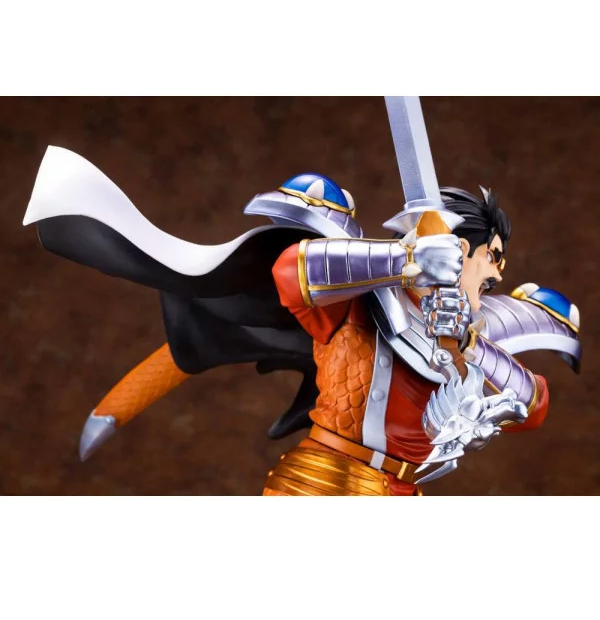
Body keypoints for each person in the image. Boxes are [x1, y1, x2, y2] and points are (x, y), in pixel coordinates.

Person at [24, 149, 581, 494]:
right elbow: (292, 270)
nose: (498, 273)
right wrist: (406, 260)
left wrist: (468, 342)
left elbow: (533, 406)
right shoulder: (363, 296)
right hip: (326, 483)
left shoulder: (480, 331)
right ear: (461, 248)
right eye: (492, 256)